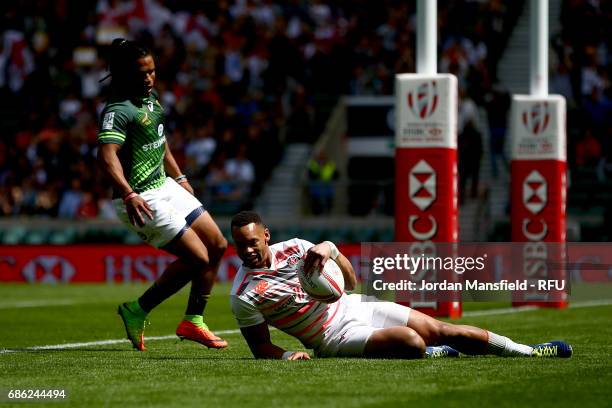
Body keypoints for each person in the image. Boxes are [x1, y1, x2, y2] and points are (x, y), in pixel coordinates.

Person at [229, 211, 573, 360]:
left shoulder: (299, 248)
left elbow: (349, 282)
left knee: (441, 329)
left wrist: (331, 249)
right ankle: (432, 353)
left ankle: (530, 350)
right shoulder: (243, 294)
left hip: (354, 305)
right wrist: (289, 354)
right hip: (331, 338)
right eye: (240, 245)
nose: (248, 250)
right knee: (412, 343)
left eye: (253, 242)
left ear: (266, 237)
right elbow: (261, 347)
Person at [97, 38, 228, 351]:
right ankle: (136, 309)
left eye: (152, 71)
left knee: (219, 245)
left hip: (165, 185)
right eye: (142, 72)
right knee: (198, 257)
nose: (148, 78)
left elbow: (160, 140)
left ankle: (193, 321)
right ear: (125, 73)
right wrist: (128, 193)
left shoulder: (152, 99)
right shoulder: (119, 109)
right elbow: (106, 155)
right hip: (140, 197)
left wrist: (179, 175)